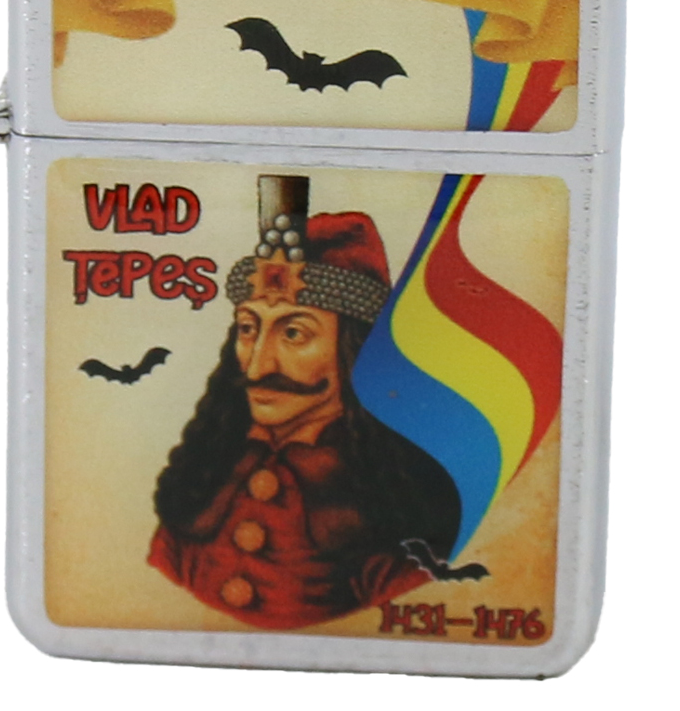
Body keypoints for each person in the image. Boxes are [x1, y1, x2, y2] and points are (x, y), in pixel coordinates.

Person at [148, 177, 461, 629]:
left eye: (294, 333)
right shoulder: (203, 477)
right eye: (249, 328)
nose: (258, 366)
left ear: (354, 351)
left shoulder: (395, 501)